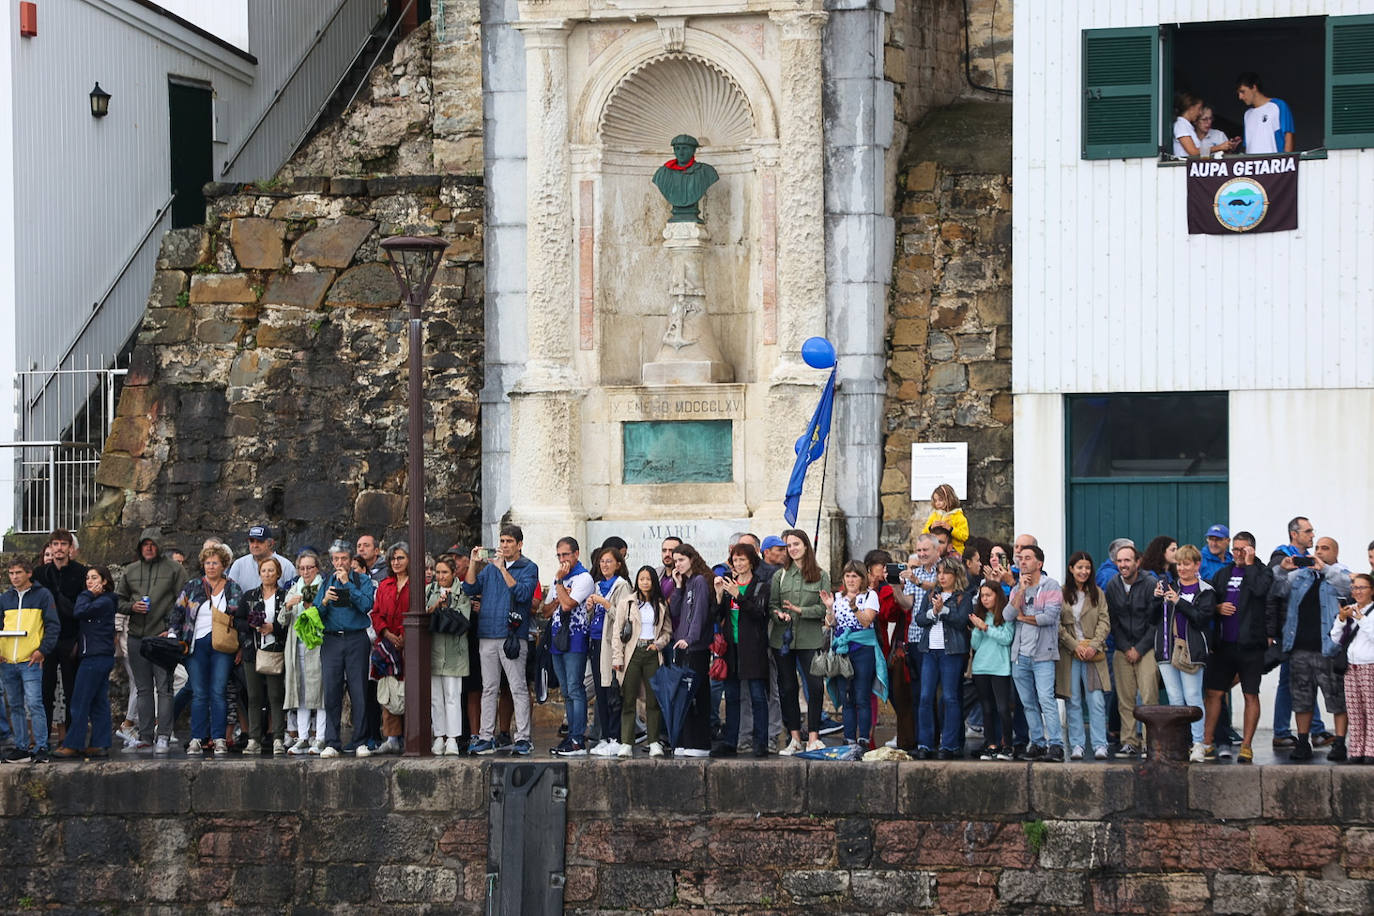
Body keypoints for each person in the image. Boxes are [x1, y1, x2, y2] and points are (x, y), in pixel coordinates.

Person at [1272, 536, 1350, 762]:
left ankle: (1340, 744)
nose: (1319, 551)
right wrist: (1282, 570)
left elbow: (1349, 588)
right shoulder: (1302, 575)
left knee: (1337, 700)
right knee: (1302, 700)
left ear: (1335, 553)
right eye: (1317, 548)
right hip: (1299, 649)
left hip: (1329, 649)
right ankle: (1303, 742)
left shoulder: (1339, 574)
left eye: (1325, 548)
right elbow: (1278, 590)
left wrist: (1325, 569)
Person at [464, 526, 539, 756]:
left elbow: (524, 595)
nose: (504, 545)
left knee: (517, 688)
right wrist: (473, 563)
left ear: (519, 544)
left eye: (509, 541)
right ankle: (486, 736)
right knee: (489, 688)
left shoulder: (528, 567)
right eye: (502, 541)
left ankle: (523, 738)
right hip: (487, 634)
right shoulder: (489, 568)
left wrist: (503, 569)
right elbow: (469, 587)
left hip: (512, 636)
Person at [167, 544, 244, 757]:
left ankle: (219, 738)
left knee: (218, 692)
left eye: (215, 563)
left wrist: (241, 647)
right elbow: (177, 612)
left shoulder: (232, 588)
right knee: (199, 693)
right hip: (195, 645)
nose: (211, 566)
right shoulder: (192, 586)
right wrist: (174, 636)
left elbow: (240, 618)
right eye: (208, 563)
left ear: (223, 565)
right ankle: (197, 738)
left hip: (222, 646)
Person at [116, 527, 188, 754]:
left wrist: (172, 629)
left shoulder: (174, 569)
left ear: (158, 546)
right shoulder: (130, 570)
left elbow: (185, 600)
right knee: (143, 689)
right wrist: (131, 607)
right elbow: (117, 600)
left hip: (162, 637)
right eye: (144, 544)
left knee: (164, 688)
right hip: (137, 636)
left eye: (152, 544)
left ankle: (164, 735)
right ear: (140, 547)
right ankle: (145, 736)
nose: (148, 548)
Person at [1203, 532, 1272, 763]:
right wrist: (1217, 607)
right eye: (1236, 549)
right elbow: (1208, 601)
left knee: (1250, 694)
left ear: (1252, 550)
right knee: (1214, 693)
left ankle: (1246, 746)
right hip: (1224, 646)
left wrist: (1250, 565)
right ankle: (1206, 742)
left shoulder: (1263, 572)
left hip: (1251, 646)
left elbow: (1261, 591)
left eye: (1244, 549)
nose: (1239, 554)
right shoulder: (1223, 573)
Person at [1152, 545, 1216, 762]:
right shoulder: (1168, 587)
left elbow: (1200, 619)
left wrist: (1179, 602)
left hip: (1192, 650)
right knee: (1175, 698)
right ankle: (1180, 741)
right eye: (1179, 564)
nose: (1182, 568)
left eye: (1186, 564)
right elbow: (1152, 619)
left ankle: (1199, 743)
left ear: (1197, 565)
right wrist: (1156, 599)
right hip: (1167, 649)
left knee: (1193, 696)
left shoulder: (1206, 591)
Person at [769, 529, 830, 755]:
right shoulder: (779, 576)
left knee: (814, 687)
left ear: (805, 546)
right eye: (788, 546)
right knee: (787, 688)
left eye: (796, 544)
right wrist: (780, 615)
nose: (792, 549)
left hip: (809, 638)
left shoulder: (821, 574)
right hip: (783, 639)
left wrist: (800, 610)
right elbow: (772, 605)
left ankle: (813, 736)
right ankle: (794, 738)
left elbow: (824, 607)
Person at [1269, 516, 1329, 746]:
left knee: (1307, 679)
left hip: (1307, 631)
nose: (1312, 535)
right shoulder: (1281, 558)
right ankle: (1282, 732)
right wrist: (1273, 631)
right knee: (1289, 681)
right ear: (1295, 534)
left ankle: (1315, 729)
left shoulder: (1310, 559)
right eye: (1308, 531)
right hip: (1290, 632)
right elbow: (1273, 595)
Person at [315, 540, 377, 757]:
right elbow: (316, 613)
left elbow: (367, 605)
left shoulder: (362, 581)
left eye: (344, 559)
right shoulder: (326, 581)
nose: (340, 563)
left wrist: (348, 585)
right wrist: (323, 601)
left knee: (358, 689)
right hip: (331, 640)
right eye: (336, 559)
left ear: (351, 561)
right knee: (331, 691)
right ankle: (332, 742)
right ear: (332, 561)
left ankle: (360, 740)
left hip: (356, 639)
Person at [711, 543, 772, 757]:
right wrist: (720, 595)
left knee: (757, 695)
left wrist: (738, 595)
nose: (738, 564)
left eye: (742, 560)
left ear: (751, 562)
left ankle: (760, 742)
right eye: (735, 560)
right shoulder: (729, 585)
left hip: (753, 648)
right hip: (731, 648)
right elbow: (717, 616)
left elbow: (758, 613)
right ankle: (730, 741)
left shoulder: (760, 586)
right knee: (733, 695)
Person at [820, 560, 887, 752]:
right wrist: (829, 608)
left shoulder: (870, 596)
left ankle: (863, 738)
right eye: (847, 576)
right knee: (846, 697)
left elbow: (867, 622)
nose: (850, 580)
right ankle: (848, 738)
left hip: (863, 649)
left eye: (854, 576)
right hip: (843, 650)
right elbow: (830, 624)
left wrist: (855, 607)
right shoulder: (838, 597)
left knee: (862, 696)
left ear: (862, 578)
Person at [1006, 545, 1063, 761]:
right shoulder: (1017, 587)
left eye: (1028, 558)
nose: (1022, 562)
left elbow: (1049, 617)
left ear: (1039, 563)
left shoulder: (1052, 586)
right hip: (1020, 655)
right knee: (1027, 702)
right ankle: (1037, 743)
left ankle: (1056, 745)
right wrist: (1020, 590)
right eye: (1021, 558)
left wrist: (1024, 617)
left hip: (1043, 655)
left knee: (1046, 699)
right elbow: (1008, 614)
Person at [54, 566, 118, 759]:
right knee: (98, 702)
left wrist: (87, 594)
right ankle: (100, 743)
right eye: (88, 578)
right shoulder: (103, 601)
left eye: (94, 578)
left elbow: (79, 611)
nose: (89, 581)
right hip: (98, 655)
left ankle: (73, 744)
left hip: (95, 656)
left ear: (104, 581)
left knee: (79, 701)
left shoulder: (104, 601)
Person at [912, 557, 972, 759]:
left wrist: (943, 610)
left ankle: (949, 744)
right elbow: (919, 619)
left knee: (950, 697)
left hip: (952, 652)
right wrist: (932, 612)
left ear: (956, 575)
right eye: (939, 572)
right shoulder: (930, 595)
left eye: (946, 572)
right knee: (925, 696)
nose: (941, 576)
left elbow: (961, 621)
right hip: (930, 650)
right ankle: (925, 744)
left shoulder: (963, 597)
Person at [1, 556, 59, 763]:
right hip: (7, 661)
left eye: (18, 573)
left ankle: (41, 746)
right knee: (15, 705)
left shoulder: (43, 595)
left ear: (29, 573)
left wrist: (42, 650)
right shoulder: (4, 598)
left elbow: (53, 626)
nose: (14, 577)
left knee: (35, 703)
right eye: (11, 573)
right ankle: (21, 747)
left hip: (31, 659)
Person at [611, 566, 672, 758]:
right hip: (632, 653)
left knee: (653, 700)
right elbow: (617, 632)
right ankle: (626, 742)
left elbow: (667, 631)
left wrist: (659, 644)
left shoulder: (660, 604)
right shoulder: (627, 603)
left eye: (648, 579)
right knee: (628, 699)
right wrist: (617, 658)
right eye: (641, 579)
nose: (645, 582)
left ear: (653, 581)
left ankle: (654, 741)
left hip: (652, 653)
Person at [1105, 544, 1159, 758]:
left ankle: (1149, 742)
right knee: (1125, 700)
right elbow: (1112, 620)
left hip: (1146, 649)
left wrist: (1139, 648)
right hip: (1122, 649)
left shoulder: (1150, 583)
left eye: (1127, 561)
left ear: (1138, 562)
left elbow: (1155, 621)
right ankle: (1129, 741)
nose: (1123, 565)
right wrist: (1126, 647)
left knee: (1148, 697)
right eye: (1119, 561)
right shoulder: (1112, 585)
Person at [34, 529, 87, 746]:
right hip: (47, 639)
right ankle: (43, 737)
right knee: (45, 690)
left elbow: (84, 609)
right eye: (54, 544)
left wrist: (78, 641)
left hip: (70, 638)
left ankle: (72, 740)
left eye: (63, 544)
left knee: (71, 690)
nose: (58, 548)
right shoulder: (40, 574)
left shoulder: (81, 572)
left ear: (70, 548)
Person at [542, 537, 593, 757]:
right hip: (556, 639)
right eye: (559, 555)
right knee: (565, 691)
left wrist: (559, 585)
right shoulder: (560, 580)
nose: (562, 559)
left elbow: (567, 604)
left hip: (575, 639)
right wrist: (559, 588)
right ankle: (571, 735)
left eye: (566, 555)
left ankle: (577, 739)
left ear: (576, 554)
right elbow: (545, 610)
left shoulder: (584, 578)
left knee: (575, 688)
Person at [1058, 551, 1111, 761]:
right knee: (1073, 700)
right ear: (1071, 569)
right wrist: (1074, 645)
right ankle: (1077, 744)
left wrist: (1093, 645)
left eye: (1087, 567)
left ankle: (1100, 744)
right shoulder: (1061, 593)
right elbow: (1057, 624)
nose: (1084, 571)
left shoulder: (1098, 593)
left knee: (1096, 700)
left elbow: (1105, 622)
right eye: (1079, 567)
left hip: (1092, 654)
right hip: (1070, 654)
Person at [236, 557, 288, 755]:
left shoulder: (284, 596)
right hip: (253, 650)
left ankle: (277, 738)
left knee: (275, 695)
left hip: (275, 650)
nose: (267, 574)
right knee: (254, 696)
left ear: (278, 574)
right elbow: (237, 620)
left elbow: (289, 623)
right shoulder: (250, 596)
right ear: (259, 573)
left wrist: (273, 627)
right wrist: (252, 626)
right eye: (264, 571)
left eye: (271, 571)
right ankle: (254, 739)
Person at [667, 543, 714, 756]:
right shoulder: (686, 583)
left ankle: (700, 744)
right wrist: (677, 586)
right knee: (684, 696)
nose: (678, 564)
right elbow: (675, 610)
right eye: (675, 561)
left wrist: (690, 638)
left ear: (692, 559)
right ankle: (686, 741)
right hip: (683, 646)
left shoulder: (701, 582)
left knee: (697, 694)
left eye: (681, 560)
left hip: (696, 647)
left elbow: (700, 614)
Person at [281, 550, 327, 755]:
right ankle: (302, 736)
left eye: (309, 567)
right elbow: (282, 619)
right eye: (302, 568)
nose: (306, 571)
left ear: (317, 568)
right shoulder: (293, 588)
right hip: (296, 646)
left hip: (317, 645)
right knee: (299, 691)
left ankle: (321, 737)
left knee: (319, 691)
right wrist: (289, 606)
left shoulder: (323, 587)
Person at [369, 543, 412, 756]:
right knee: (388, 690)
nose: (396, 562)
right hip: (387, 643)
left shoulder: (417, 584)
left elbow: (415, 610)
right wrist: (386, 633)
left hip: (409, 644)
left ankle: (412, 737)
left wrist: (404, 635)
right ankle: (392, 737)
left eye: (401, 558)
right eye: (393, 559)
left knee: (409, 691)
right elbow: (376, 613)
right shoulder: (385, 585)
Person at [868, 550, 913, 749]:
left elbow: (891, 614)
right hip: (872, 646)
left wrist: (895, 588)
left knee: (899, 695)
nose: (884, 571)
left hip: (889, 647)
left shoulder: (887, 590)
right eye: (881, 567)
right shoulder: (864, 588)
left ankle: (905, 735)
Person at [426, 555, 471, 756]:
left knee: (453, 695)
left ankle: (453, 737)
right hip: (434, 650)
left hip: (454, 652)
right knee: (436, 696)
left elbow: (463, 620)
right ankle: (439, 736)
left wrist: (446, 609)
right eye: (438, 572)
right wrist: (436, 607)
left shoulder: (462, 593)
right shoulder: (429, 591)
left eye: (445, 572)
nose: (441, 576)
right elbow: (425, 615)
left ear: (453, 573)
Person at [586, 546, 629, 756]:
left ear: (618, 564)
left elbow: (623, 617)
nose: (605, 565)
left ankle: (617, 737)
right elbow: (592, 618)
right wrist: (590, 608)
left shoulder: (622, 586)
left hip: (611, 645)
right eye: (602, 561)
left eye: (609, 561)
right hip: (596, 642)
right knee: (601, 691)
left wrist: (604, 603)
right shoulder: (597, 585)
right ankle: (605, 737)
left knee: (613, 690)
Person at [969, 581, 1015, 760]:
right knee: (986, 708)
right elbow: (974, 645)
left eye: (988, 595)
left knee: (1003, 708)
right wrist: (977, 629)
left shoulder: (1005, 616)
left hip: (1000, 668)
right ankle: (991, 744)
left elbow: (1006, 639)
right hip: (981, 667)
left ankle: (1008, 745)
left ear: (997, 595)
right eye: (982, 596)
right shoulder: (981, 615)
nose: (985, 599)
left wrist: (986, 628)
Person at [1334, 575, 1374, 764]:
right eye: (1354, 588)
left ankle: (1371, 750)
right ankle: (1356, 750)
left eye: (1362, 588)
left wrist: (1362, 619)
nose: (1357, 592)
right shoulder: (1351, 610)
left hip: (1370, 665)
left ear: (1372, 590)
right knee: (1354, 710)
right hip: (1351, 666)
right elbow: (1334, 639)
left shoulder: (1370, 613)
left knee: (1371, 711)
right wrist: (1342, 619)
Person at [1236, 71, 1294, 154]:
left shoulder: (1278, 106)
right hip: (1253, 165)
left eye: (1242, 92)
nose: (1240, 97)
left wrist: (1286, 161)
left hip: (1274, 163)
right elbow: (1248, 146)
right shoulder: (1247, 115)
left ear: (1254, 87)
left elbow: (1288, 136)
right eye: (1238, 93)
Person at [227, 525, 296, 591]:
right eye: (252, 541)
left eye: (260, 541)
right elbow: (230, 592)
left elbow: (294, 592)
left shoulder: (286, 566)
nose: (255, 545)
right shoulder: (239, 564)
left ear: (271, 543)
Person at [920, 484, 969, 557]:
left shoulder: (959, 517)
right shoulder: (934, 515)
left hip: (954, 550)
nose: (937, 503)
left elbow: (964, 536)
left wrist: (951, 529)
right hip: (935, 550)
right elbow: (923, 534)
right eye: (935, 501)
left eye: (940, 500)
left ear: (949, 498)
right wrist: (931, 527)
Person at [1171, 91, 1207, 157]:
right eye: (1199, 108)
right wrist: (1219, 147)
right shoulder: (1180, 125)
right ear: (1191, 108)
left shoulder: (1187, 125)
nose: (1200, 113)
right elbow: (1193, 152)